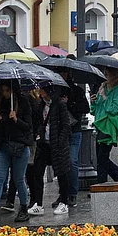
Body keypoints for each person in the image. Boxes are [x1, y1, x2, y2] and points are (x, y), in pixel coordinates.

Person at [0, 81, 33, 223]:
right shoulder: (0, 102)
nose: (5, 93)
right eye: (3, 90)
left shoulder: (23, 101)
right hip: (4, 145)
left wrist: (16, 119)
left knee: (19, 178)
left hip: (20, 145)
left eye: (7, 90)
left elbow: (28, 126)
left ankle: (24, 207)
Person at [31, 84, 75, 215]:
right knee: (38, 172)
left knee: (61, 173)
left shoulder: (59, 104)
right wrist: (39, 134)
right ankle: (38, 204)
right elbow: (38, 122)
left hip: (57, 145)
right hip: (44, 144)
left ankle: (64, 202)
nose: (39, 91)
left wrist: (60, 142)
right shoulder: (41, 104)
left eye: (42, 89)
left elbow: (66, 125)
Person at [91, 67, 118, 185]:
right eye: (106, 75)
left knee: (102, 157)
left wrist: (104, 97)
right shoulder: (102, 87)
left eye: (108, 75)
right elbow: (95, 110)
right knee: (101, 158)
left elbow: (113, 109)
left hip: (109, 128)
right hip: (100, 125)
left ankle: (101, 184)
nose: (106, 77)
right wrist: (94, 102)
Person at [58, 68, 89, 207]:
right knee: (61, 163)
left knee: (72, 161)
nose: (63, 75)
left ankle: (72, 193)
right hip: (59, 132)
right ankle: (63, 194)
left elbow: (85, 108)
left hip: (74, 130)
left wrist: (69, 103)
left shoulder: (77, 91)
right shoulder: (55, 91)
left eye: (64, 73)